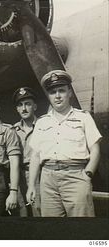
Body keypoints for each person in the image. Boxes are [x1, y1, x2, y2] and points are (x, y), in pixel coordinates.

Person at [26, 70, 102, 217]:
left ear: (70, 93)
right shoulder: (42, 122)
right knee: (52, 230)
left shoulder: (83, 118)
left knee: (81, 228)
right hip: (48, 179)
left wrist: (87, 175)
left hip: (76, 176)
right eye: (53, 92)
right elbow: (35, 156)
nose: (58, 96)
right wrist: (31, 186)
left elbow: (95, 150)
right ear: (48, 96)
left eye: (62, 90)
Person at [13, 87, 41, 217]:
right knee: (21, 211)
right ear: (17, 109)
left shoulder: (43, 127)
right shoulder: (13, 130)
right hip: (18, 175)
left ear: (34, 106)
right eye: (20, 105)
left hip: (38, 175)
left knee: (38, 210)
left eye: (27, 104)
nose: (24, 108)